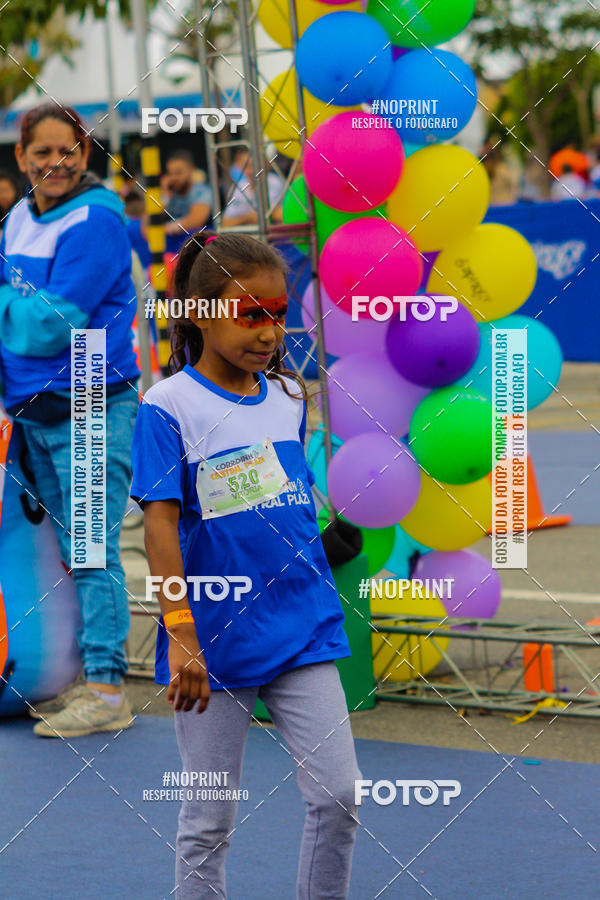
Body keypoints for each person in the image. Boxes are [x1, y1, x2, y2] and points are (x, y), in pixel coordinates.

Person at [129, 231, 362, 899]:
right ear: (201, 313)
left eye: (278, 312)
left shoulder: (289, 397)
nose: (268, 330)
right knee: (209, 819)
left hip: (303, 624)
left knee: (340, 794)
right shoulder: (168, 406)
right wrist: (181, 632)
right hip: (214, 638)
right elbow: (160, 522)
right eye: (248, 313)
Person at [0, 102, 140, 737]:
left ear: (84, 154)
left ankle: (109, 691)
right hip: (33, 413)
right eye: (42, 152)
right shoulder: (18, 219)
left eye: (68, 150)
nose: (55, 162)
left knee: (89, 550)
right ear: (22, 157)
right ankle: (93, 681)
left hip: (89, 404)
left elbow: (52, 326)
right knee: (70, 550)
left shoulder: (97, 219)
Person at [162, 150, 212, 253]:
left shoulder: (201, 191)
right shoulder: (169, 194)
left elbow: (197, 220)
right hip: (172, 247)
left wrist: (164, 229)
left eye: (178, 173)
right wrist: (164, 196)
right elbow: (147, 227)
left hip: (196, 247)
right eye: (170, 174)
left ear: (191, 170)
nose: (174, 178)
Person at [222, 150, 285, 226]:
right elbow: (225, 223)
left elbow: (283, 215)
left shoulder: (275, 182)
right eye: (245, 166)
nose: (249, 171)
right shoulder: (238, 187)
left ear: (264, 164)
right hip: (245, 236)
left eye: (253, 166)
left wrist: (242, 219)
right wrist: (249, 217)